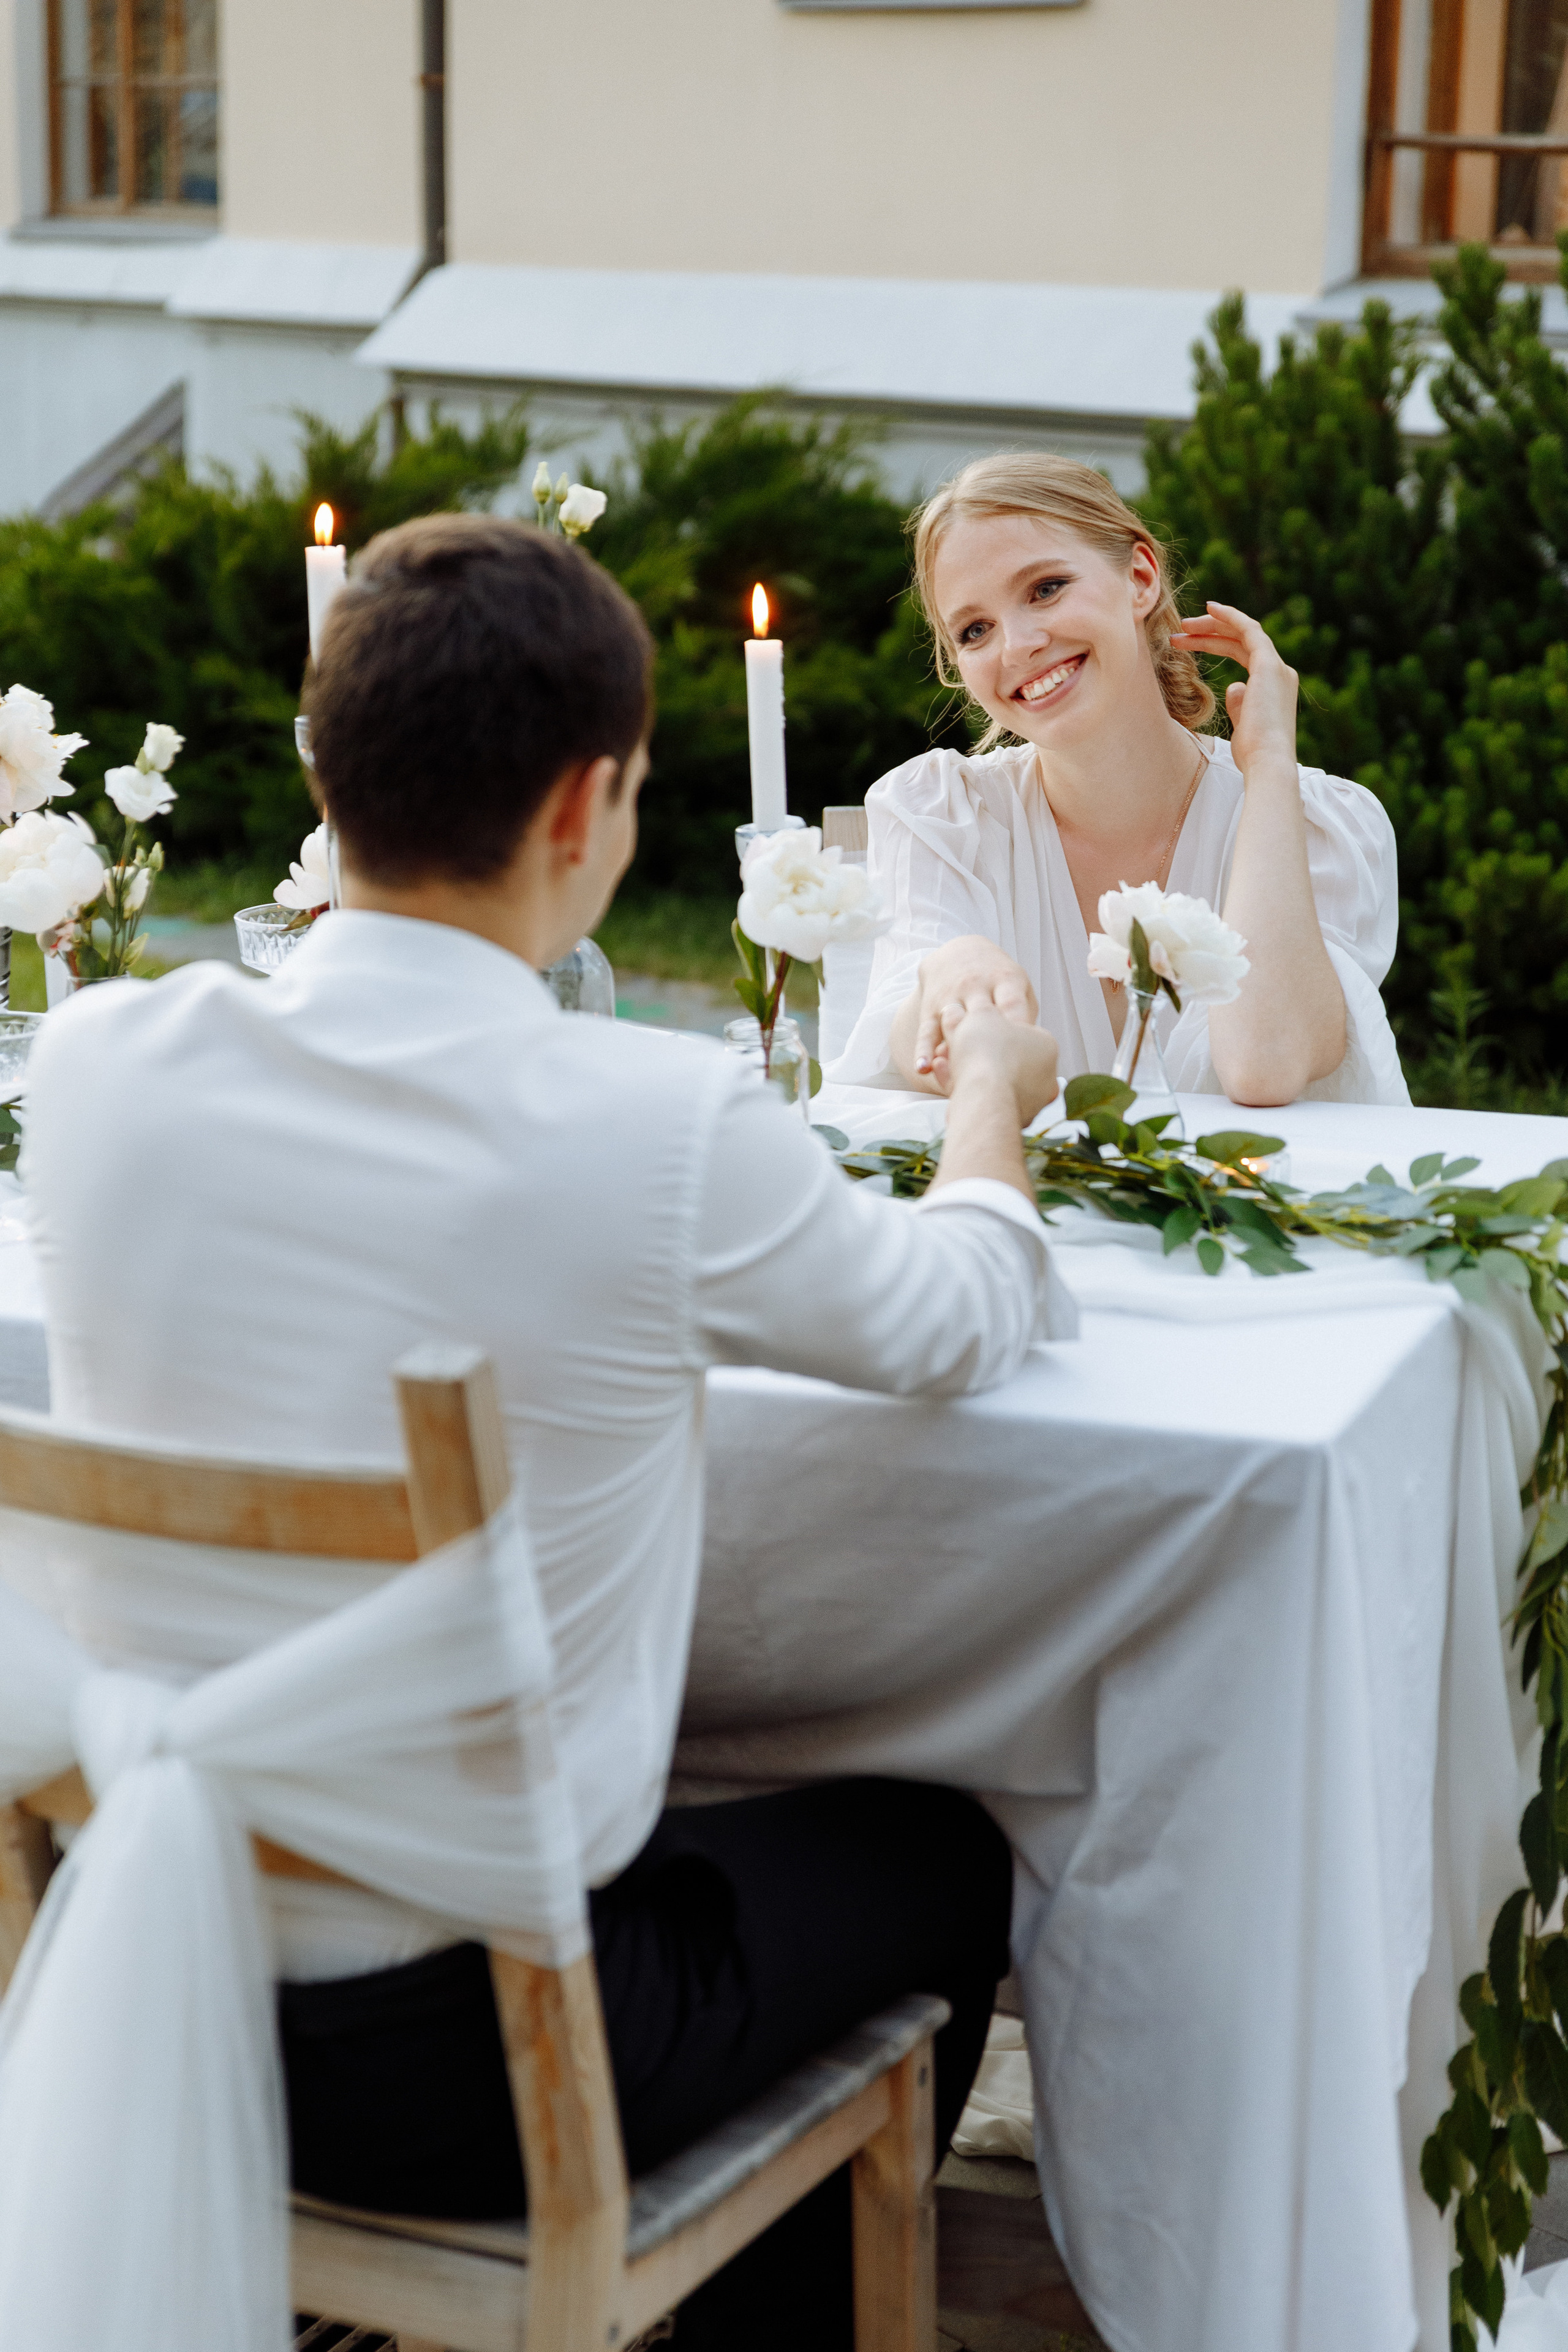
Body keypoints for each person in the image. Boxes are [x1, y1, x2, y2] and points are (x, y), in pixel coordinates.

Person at [23, 513, 1068, 2351]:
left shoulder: (97, 1064)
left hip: (127, 1964)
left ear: (322, 771)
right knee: (937, 1846)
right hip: (474, 2071)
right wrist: (988, 1084)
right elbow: (960, 1318)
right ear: (586, 804)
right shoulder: (652, 1120)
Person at [827, 454, 1409, 1110]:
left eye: (1045, 589)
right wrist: (949, 967)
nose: (1017, 646)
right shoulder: (940, 816)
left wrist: (1271, 764)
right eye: (975, 630)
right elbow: (917, 1048)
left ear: (1139, 579)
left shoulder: (1317, 823)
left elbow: (1264, 1066)